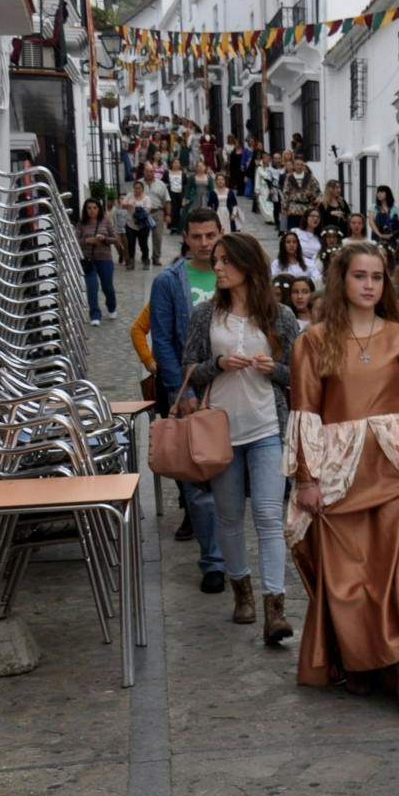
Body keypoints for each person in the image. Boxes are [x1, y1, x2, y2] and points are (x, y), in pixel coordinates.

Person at [286, 242, 399, 704]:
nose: (369, 285)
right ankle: (361, 661)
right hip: (337, 473)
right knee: (349, 577)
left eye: (376, 277)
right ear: (341, 281)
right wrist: (305, 479)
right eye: (359, 276)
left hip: (394, 466)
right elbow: (304, 411)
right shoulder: (311, 341)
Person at [183, 233, 299, 645]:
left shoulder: (281, 316)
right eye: (215, 261)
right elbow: (189, 371)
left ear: (248, 266)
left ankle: (275, 609)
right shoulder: (204, 316)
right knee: (229, 517)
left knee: (269, 517)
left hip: (268, 427)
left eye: (225, 261)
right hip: (220, 432)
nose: (217, 268)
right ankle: (242, 594)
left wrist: (274, 369)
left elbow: (299, 375)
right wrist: (216, 364)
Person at [150, 209, 228, 594]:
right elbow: (163, 341)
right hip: (192, 390)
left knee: (232, 474)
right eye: (196, 236)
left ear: (221, 233)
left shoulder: (234, 275)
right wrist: (180, 392)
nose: (204, 243)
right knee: (199, 478)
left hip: (234, 386)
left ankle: (233, 556)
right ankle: (213, 559)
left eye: (210, 235)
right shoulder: (169, 282)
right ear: (185, 237)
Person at [76, 198, 119, 325]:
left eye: (94, 208)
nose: (92, 210)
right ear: (85, 210)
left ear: (99, 209)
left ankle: (111, 307)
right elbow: (74, 241)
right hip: (89, 261)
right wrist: (87, 241)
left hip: (105, 259)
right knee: (92, 288)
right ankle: (95, 315)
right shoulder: (81, 224)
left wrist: (105, 239)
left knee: (108, 288)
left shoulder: (105, 222)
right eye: (89, 208)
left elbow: (115, 238)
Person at [142, 166, 172, 266]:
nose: (149, 173)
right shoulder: (139, 183)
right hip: (144, 213)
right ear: (144, 172)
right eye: (147, 171)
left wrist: (168, 214)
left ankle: (156, 258)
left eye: (151, 171)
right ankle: (145, 256)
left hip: (158, 212)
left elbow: (167, 200)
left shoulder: (161, 184)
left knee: (158, 236)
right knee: (143, 236)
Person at [281, 159, 320, 230]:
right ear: (294, 166)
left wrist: (311, 195)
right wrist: (284, 208)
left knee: (305, 230)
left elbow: (317, 191)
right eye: (297, 164)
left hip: (307, 208)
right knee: (293, 230)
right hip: (293, 209)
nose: (299, 166)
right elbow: (285, 193)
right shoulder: (289, 178)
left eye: (301, 165)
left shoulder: (310, 178)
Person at [109, 191, 133, 268]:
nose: (122, 200)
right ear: (118, 200)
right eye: (121, 198)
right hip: (117, 230)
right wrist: (112, 229)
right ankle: (121, 254)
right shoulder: (115, 209)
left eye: (124, 198)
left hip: (126, 230)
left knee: (126, 245)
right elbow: (112, 219)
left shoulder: (129, 208)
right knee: (117, 244)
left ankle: (127, 259)